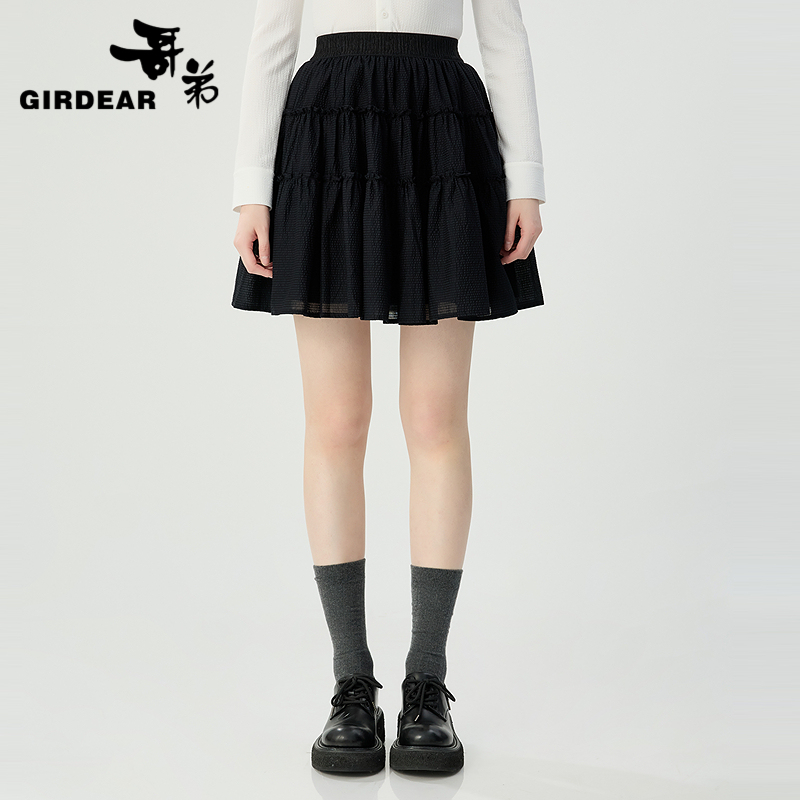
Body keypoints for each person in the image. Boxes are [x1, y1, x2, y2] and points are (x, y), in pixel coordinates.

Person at [230, 0, 546, 776]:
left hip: (443, 131)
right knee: (336, 422)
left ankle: (426, 686)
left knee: (435, 420)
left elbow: (504, 36)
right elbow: (272, 38)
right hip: (327, 133)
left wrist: (527, 180)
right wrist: (250, 188)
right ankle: (351, 685)